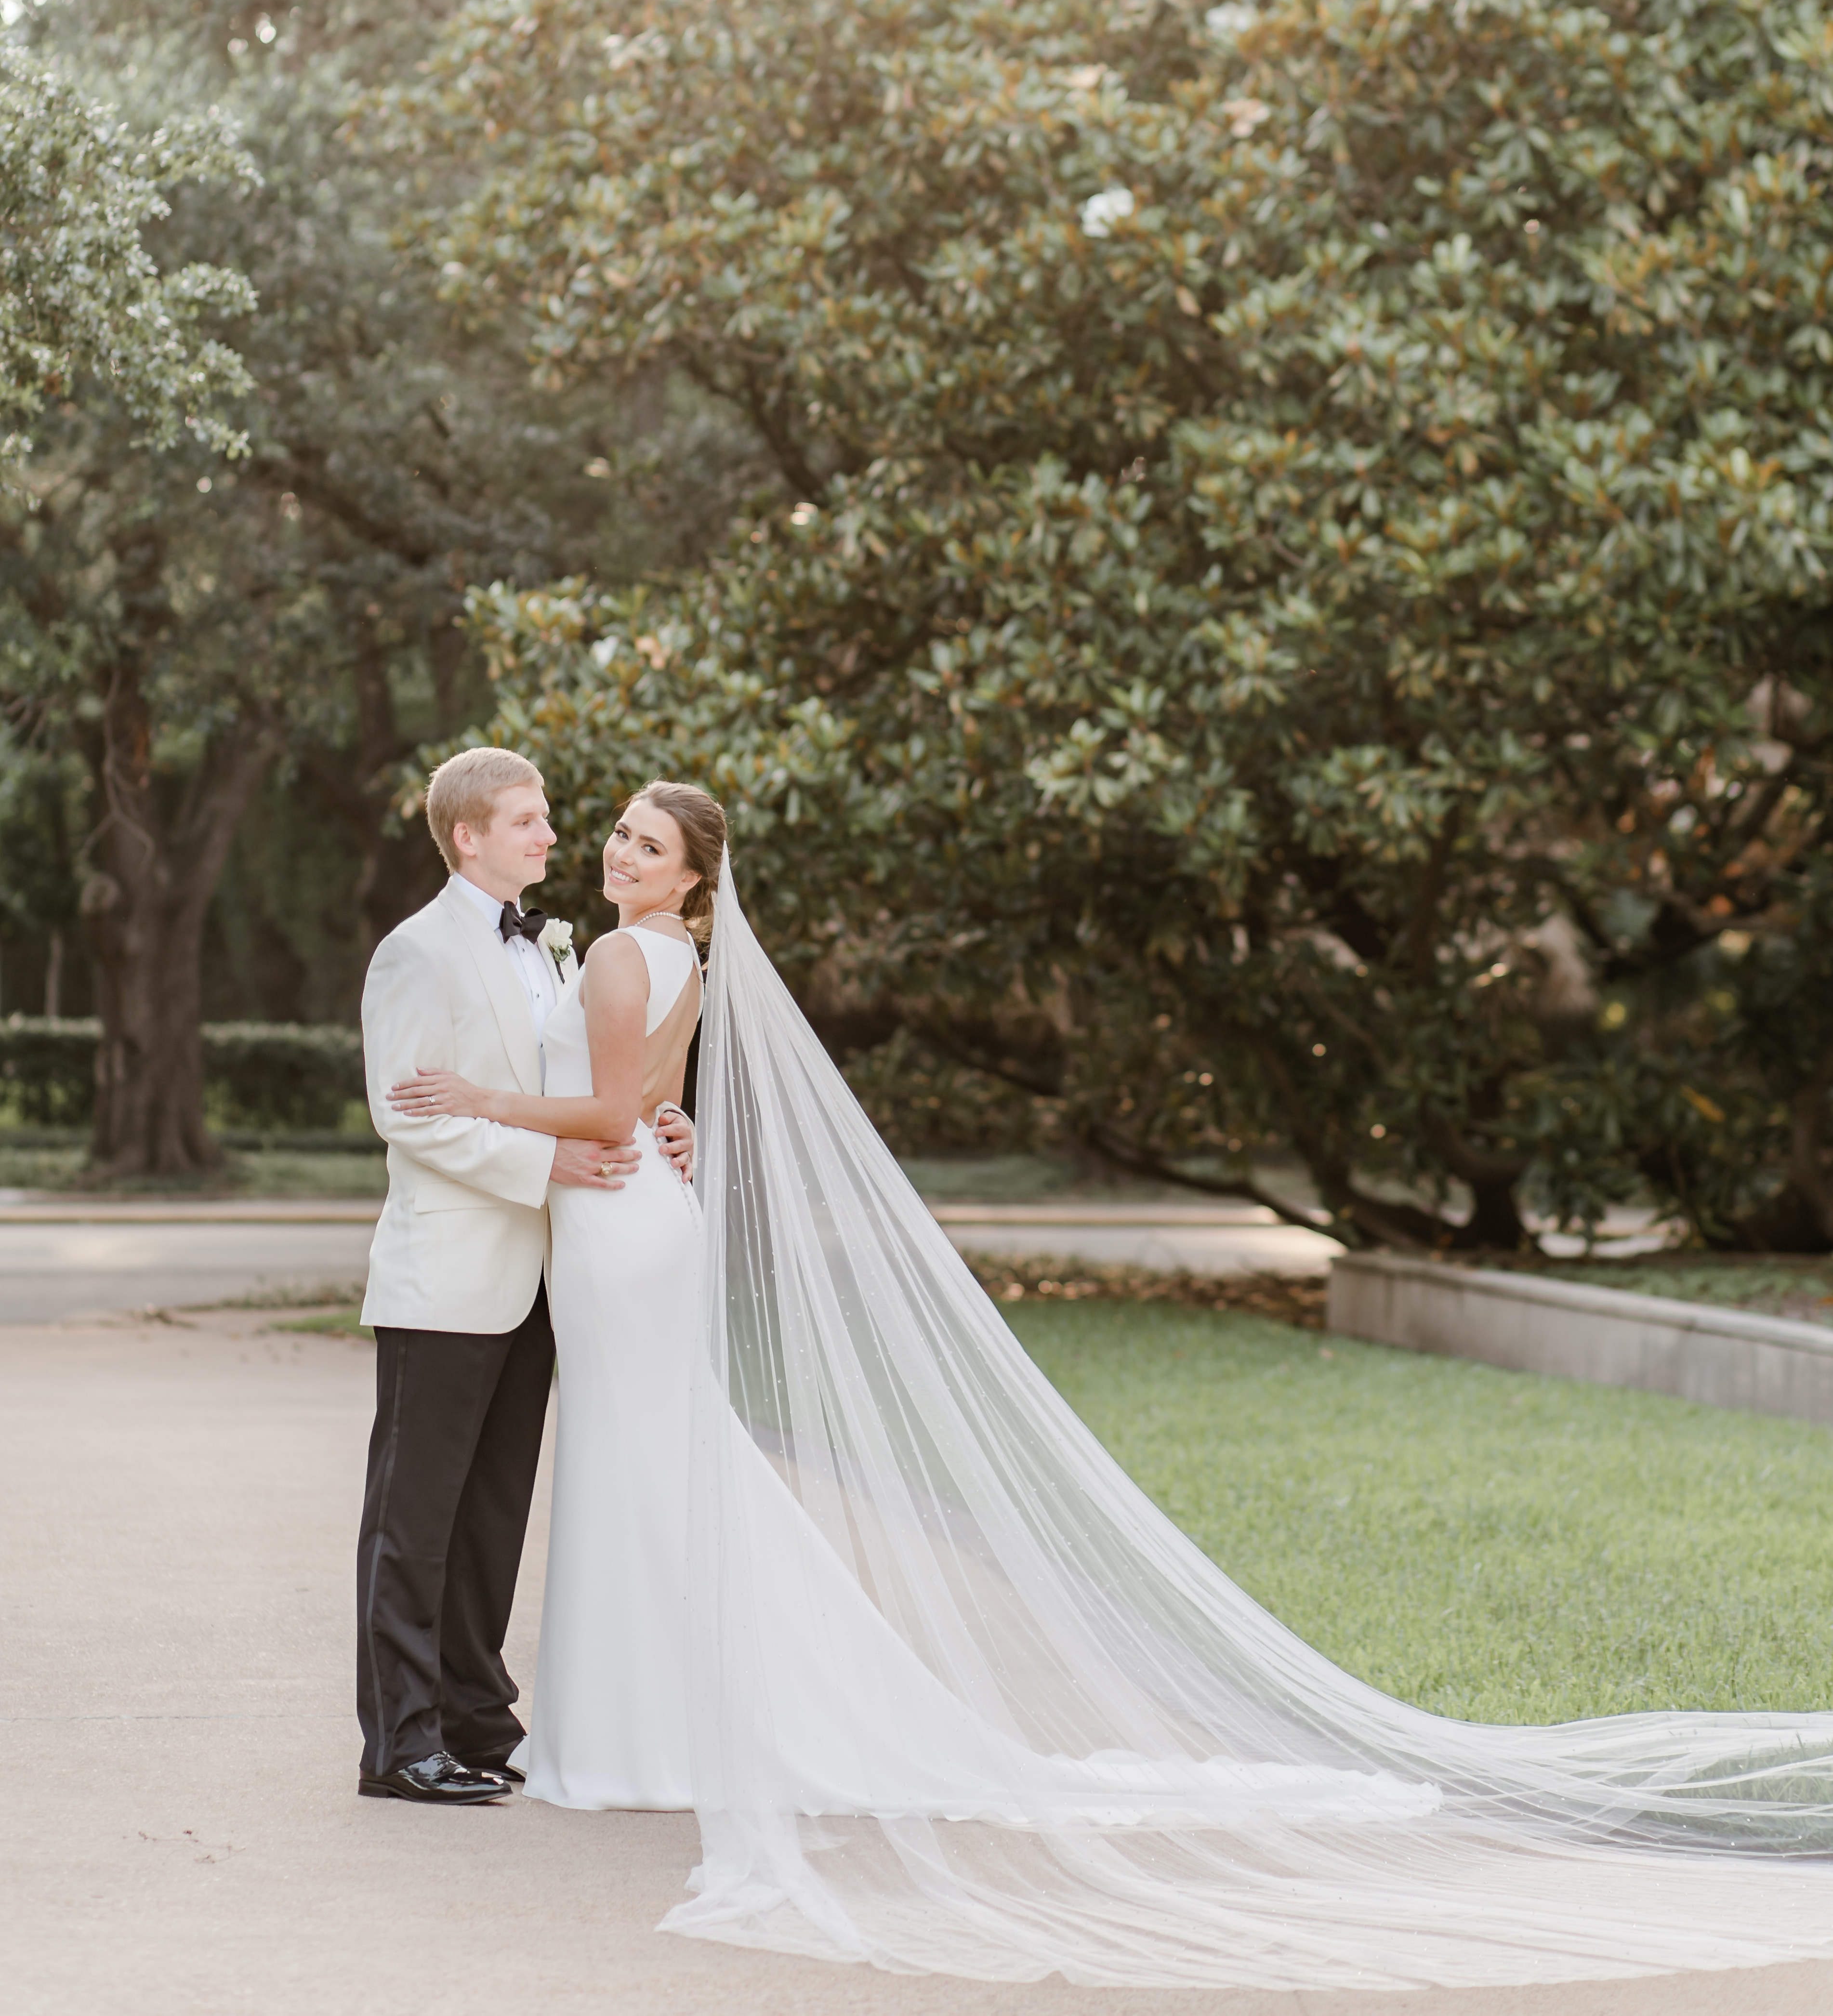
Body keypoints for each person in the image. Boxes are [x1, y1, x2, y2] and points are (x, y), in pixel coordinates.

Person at [388, 781, 1833, 1993]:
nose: (613, 851)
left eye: (645, 842)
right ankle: (645, 1717)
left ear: (695, 876)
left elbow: (605, 1102)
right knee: (654, 1462)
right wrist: (652, 1122)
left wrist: (493, 1102)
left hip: (619, 1234)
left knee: (645, 1461)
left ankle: (642, 1726)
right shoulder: (643, 953)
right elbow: (654, 1098)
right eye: (609, 834)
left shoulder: (635, 954)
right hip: (623, 1227)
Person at [356, 747, 691, 1805]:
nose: (552, 835)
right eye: (526, 821)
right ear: (468, 837)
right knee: (416, 1523)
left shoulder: (553, 950)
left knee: (492, 1517)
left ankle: (476, 1721)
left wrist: (662, 1119)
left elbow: (592, 1077)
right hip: (449, 1275)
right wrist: (548, 1157)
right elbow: (409, 1122)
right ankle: (400, 1746)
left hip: (547, 1276)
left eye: (546, 818)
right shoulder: (416, 953)